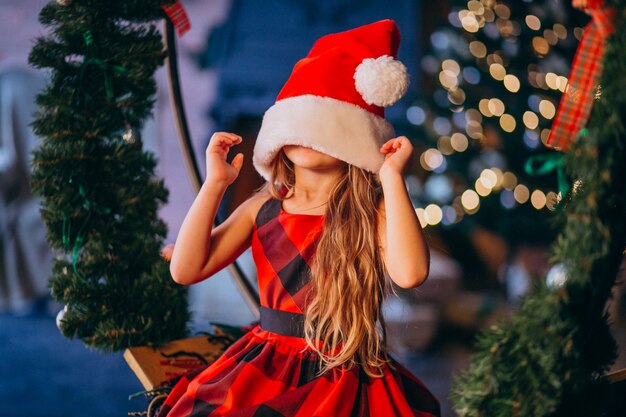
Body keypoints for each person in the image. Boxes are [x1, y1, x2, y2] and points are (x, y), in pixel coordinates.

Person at [162, 19, 440, 417]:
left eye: (323, 128)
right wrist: (214, 186)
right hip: (267, 363)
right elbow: (186, 269)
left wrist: (391, 179)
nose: (308, 138)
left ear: (354, 138)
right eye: (299, 126)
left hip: (346, 369)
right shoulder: (263, 207)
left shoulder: (371, 211)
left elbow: (411, 273)